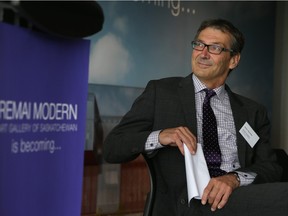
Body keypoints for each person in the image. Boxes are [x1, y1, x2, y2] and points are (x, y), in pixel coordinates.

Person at [103, 19, 288, 216]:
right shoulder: (161, 93)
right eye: (199, 44)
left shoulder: (252, 111)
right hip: (186, 205)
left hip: (236, 197)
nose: (203, 53)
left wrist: (234, 179)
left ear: (233, 60)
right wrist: (160, 136)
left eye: (215, 47)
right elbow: (113, 147)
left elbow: (271, 167)